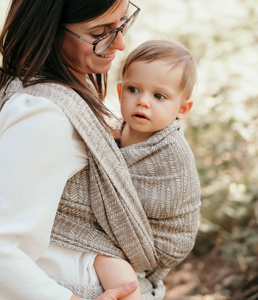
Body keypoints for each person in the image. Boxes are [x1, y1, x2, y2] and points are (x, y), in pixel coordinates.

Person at [0, 0, 144, 299]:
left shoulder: (48, 90)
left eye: (122, 22)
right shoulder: (47, 116)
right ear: (48, 31)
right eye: (100, 32)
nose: (120, 43)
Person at [93, 40, 201, 300]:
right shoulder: (114, 129)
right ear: (120, 92)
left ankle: (131, 295)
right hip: (127, 230)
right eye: (133, 89)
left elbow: (163, 202)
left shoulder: (172, 151)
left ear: (182, 109)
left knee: (103, 258)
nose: (142, 102)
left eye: (159, 96)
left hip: (160, 238)